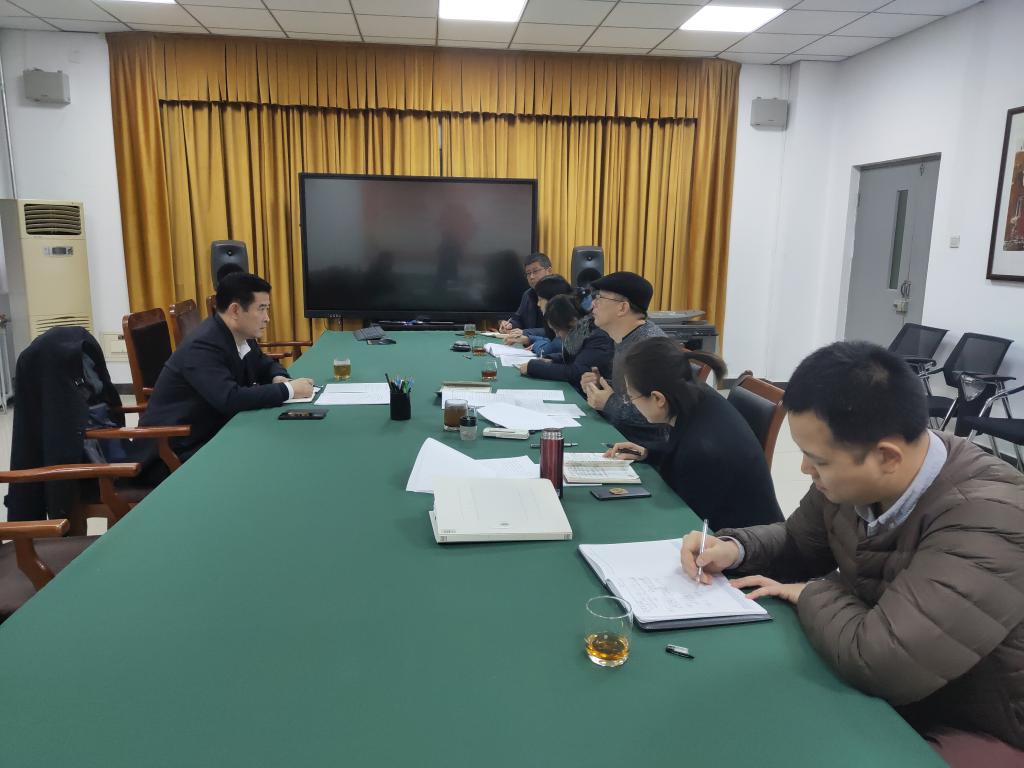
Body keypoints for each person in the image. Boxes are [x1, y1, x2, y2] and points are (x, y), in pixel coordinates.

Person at [678, 341, 1024, 766]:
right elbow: (800, 543)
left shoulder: (989, 517)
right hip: (907, 680)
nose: (805, 470)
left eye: (817, 461)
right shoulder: (856, 480)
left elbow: (883, 662)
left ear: (886, 457)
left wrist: (810, 592)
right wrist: (734, 549)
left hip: (982, 720)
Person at [604, 338, 783, 529]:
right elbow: (680, 443)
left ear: (658, 398)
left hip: (740, 539)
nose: (631, 403)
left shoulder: (701, 449)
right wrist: (649, 452)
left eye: (631, 397)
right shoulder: (699, 395)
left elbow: (687, 523)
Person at [141, 272, 315, 462]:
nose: (267, 318)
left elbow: (263, 363)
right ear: (235, 310)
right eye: (261, 309)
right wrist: (288, 390)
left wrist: (278, 377)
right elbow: (230, 398)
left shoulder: (239, 333)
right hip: (176, 447)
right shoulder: (202, 346)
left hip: (215, 429)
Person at [579, 271, 667, 445]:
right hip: (621, 433)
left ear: (622, 308)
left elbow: (660, 414)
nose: (593, 304)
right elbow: (634, 392)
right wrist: (601, 385)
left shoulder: (650, 348)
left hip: (644, 447)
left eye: (599, 298)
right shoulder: (625, 336)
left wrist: (609, 403)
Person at [516, 294, 613, 392]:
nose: (557, 335)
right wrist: (552, 360)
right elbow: (574, 358)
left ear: (572, 322)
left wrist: (534, 367)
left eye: (558, 330)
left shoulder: (597, 337)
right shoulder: (578, 333)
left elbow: (578, 372)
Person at [504, 274, 574, 356]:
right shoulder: (565, 319)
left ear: (552, 300)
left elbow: (548, 348)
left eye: (540, 299)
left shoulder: (566, 329)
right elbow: (550, 340)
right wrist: (528, 339)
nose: (538, 304)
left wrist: (535, 345)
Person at [498, 252, 552, 334]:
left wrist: (525, 333)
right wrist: (510, 325)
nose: (531, 277)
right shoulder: (527, 294)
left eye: (535, 271)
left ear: (549, 271)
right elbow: (519, 319)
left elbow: (556, 331)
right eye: (528, 273)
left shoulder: (560, 295)